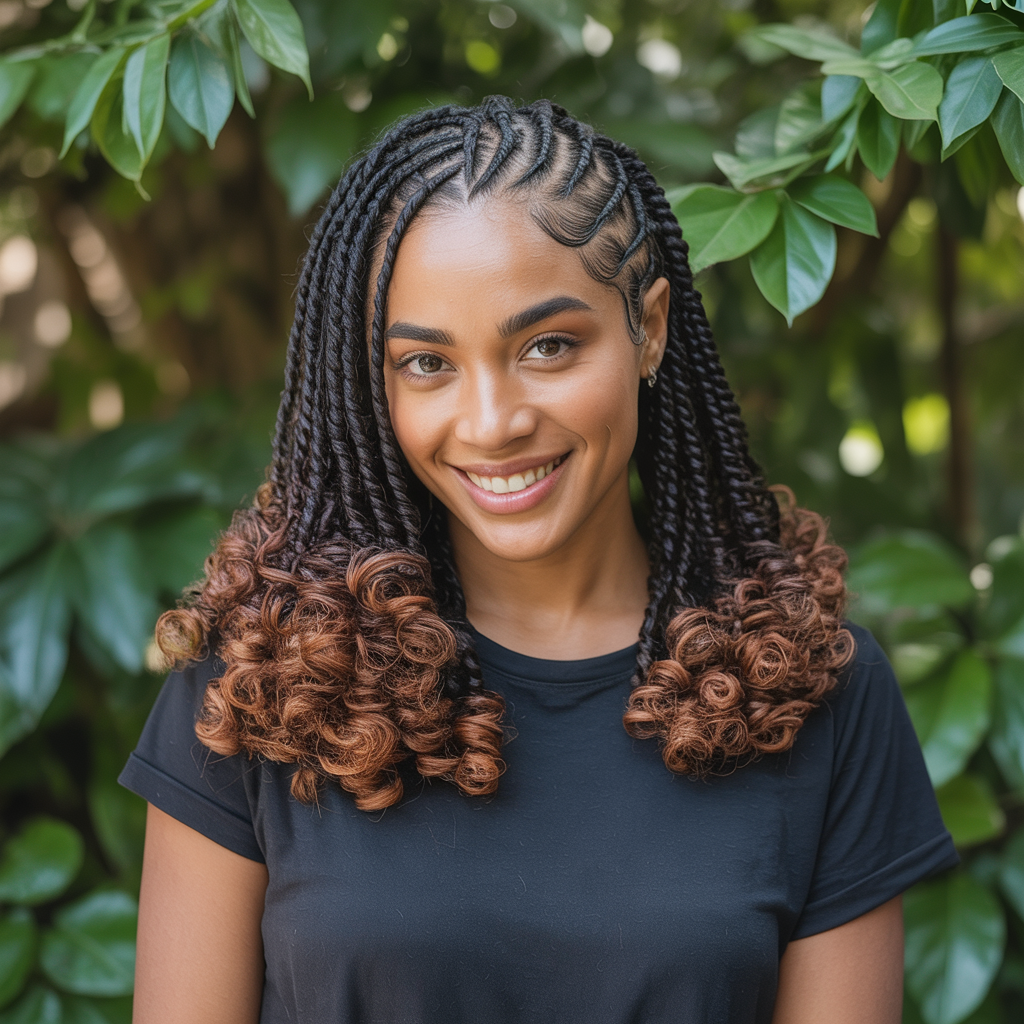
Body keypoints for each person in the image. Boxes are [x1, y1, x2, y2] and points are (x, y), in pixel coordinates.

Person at [120, 97, 957, 1024]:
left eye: (548, 346)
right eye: (427, 364)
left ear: (650, 329)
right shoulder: (254, 684)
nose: (492, 423)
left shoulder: (820, 694)